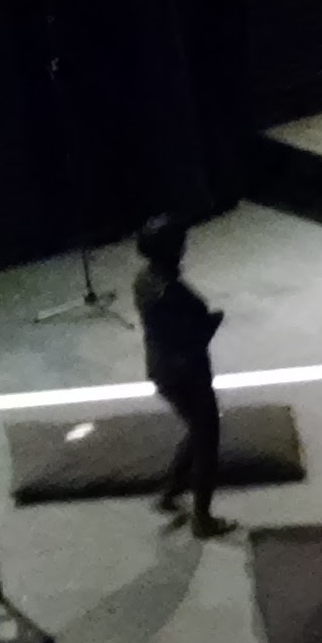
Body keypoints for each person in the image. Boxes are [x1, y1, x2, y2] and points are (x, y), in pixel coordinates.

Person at [131, 217, 230, 536]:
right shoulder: (174, 294)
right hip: (187, 373)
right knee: (207, 439)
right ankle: (202, 519)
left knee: (198, 429)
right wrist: (212, 322)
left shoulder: (143, 280)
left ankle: (170, 494)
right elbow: (192, 339)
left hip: (161, 368)